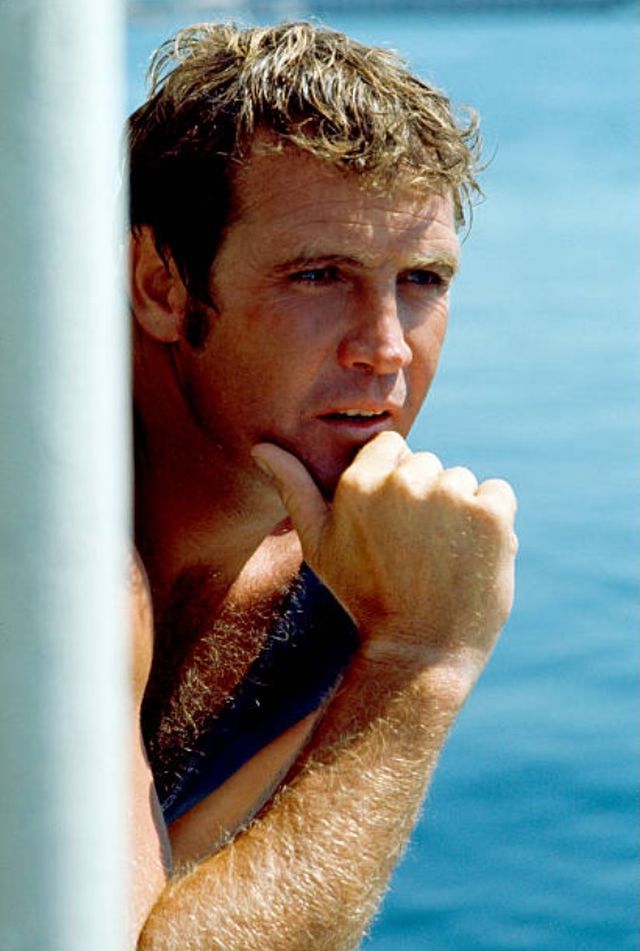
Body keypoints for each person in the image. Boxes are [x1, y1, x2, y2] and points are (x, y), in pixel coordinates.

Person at [127, 20, 518, 950]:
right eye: (318, 274)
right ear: (161, 286)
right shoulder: (52, 534)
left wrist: (394, 636)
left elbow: (166, 921)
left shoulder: (356, 575)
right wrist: (419, 660)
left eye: (420, 279)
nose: (386, 347)